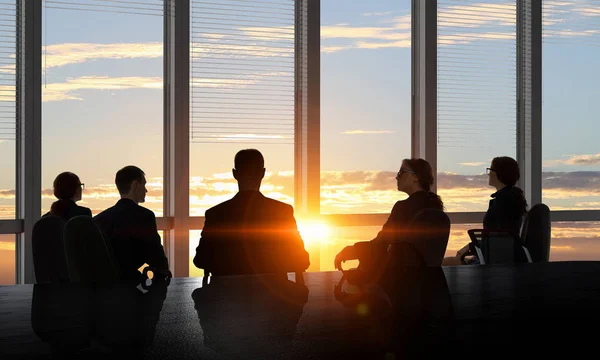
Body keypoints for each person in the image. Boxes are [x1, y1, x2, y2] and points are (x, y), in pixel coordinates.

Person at [193, 149, 310, 276]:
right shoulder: (282, 211)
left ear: (235, 174)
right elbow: (301, 260)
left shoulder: (215, 213)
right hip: (274, 294)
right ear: (263, 173)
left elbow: (201, 259)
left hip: (226, 293)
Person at [334, 158, 445, 274]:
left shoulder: (403, 208)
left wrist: (351, 251)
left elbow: (381, 244)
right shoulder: (435, 207)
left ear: (416, 177)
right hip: (430, 280)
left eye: (401, 172)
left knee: (352, 277)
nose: (397, 177)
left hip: (399, 280)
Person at [443, 156, 528, 265]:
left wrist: (470, 247)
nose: (488, 174)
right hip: (503, 257)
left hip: (496, 262)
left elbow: (497, 236)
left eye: (490, 169)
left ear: (498, 173)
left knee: (445, 264)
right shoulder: (511, 199)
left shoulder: (503, 202)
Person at [94, 166, 170, 281]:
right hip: (130, 286)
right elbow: (156, 257)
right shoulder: (144, 216)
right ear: (135, 185)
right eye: (144, 185)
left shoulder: (99, 219)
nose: (146, 190)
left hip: (104, 287)